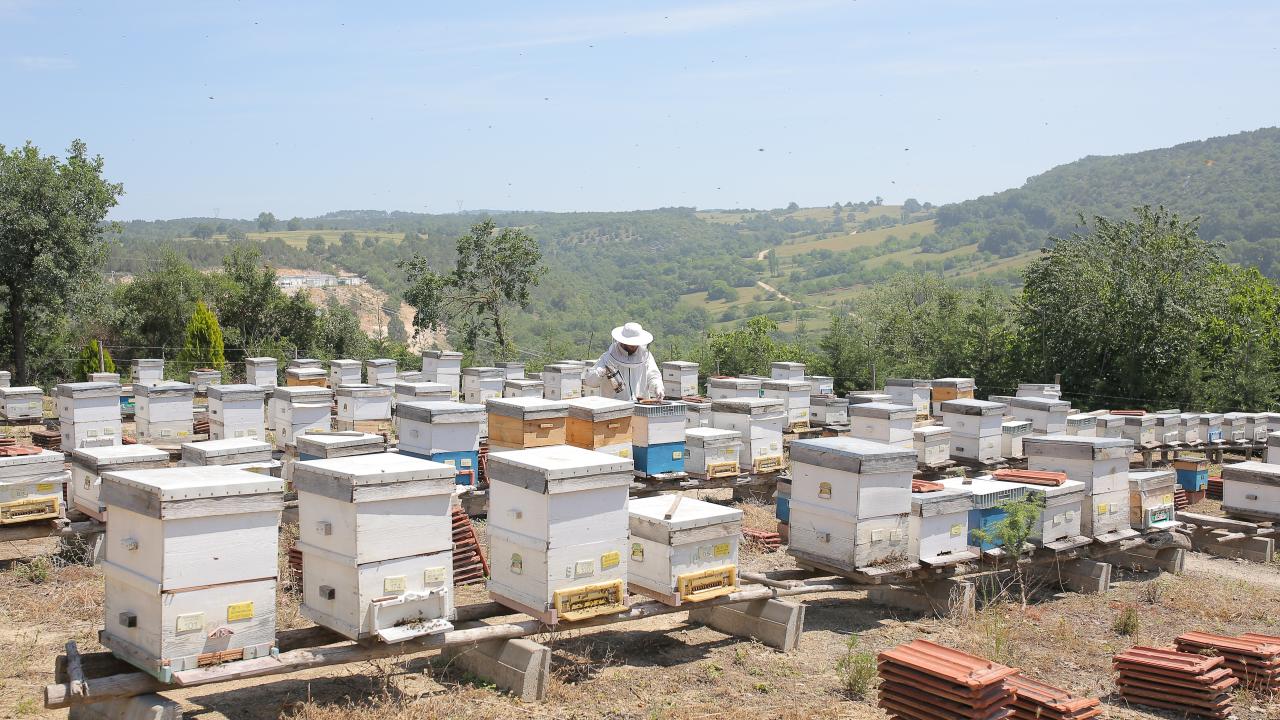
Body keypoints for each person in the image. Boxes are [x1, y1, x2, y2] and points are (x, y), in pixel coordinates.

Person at [584, 322, 664, 401]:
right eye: (630, 343)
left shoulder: (646, 356)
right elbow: (590, 382)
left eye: (635, 343)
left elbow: (653, 376)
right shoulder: (607, 357)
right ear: (622, 341)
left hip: (640, 405)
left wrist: (658, 387)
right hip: (614, 406)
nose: (633, 346)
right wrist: (601, 371)